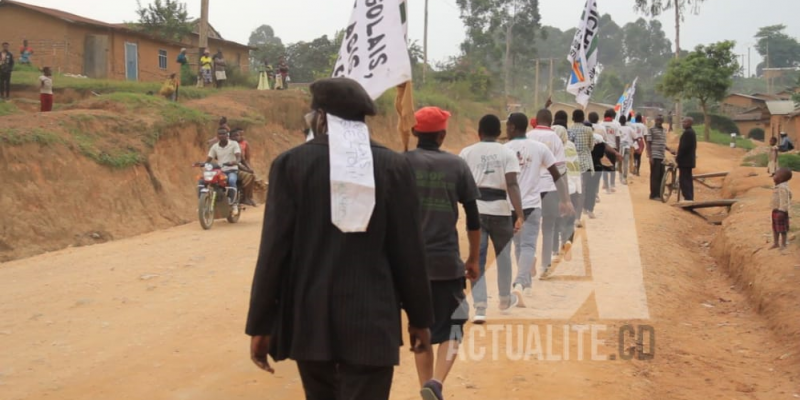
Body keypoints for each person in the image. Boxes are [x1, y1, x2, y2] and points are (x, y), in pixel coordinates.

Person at [245, 77, 434, 400]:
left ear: (320, 118)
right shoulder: (393, 166)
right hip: (373, 321)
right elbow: (409, 252)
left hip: (310, 320)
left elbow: (274, 252)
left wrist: (261, 324)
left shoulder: (290, 165)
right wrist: (420, 319)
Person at [404, 106, 480, 400]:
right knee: (454, 326)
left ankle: (426, 383)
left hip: (410, 264)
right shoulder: (457, 166)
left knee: (418, 325)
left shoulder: (401, 163)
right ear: (443, 135)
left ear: (414, 133)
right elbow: (473, 216)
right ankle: (435, 382)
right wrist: (473, 258)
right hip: (446, 261)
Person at [460, 114, 525, 322]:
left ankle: (479, 307)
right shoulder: (507, 153)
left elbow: (460, 183)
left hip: (475, 212)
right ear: (499, 133)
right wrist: (520, 215)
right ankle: (505, 298)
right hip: (501, 211)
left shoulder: (466, 153)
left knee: (476, 257)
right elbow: (513, 185)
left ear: (479, 132)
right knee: (503, 257)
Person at [505, 113, 571, 293]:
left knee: (519, 245)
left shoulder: (505, 149)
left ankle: (522, 280)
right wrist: (565, 199)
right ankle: (522, 282)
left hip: (511, 206)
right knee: (528, 245)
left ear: (512, 127)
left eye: (507, 126)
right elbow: (557, 174)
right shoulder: (540, 148)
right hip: (533, 205)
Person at [527, 109, 567, 274]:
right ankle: (545, 264)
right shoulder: (556, 139)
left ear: (537, 120)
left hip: (531, 189)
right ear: (551, 122)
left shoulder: (528, 136)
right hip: (550, 188)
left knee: (531, 228)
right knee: (548, 227)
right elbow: (561, 169)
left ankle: (531, 257)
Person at [552, 126, 582, 266]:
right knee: (570, 218)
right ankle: (568, 240)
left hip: (560, 187)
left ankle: (555, 249)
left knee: (555, 220)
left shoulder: (553, 148)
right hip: (574, 185)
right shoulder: (571, 146)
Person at [197, 128, 241, 212]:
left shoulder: (234, 144)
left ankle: (233, 202)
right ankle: (201, 203)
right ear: (217, 136)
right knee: (202, 181)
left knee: (232, 181)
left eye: (223, 134)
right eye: (220, 134)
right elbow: (209, 159)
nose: (221, 136)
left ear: (227, 135)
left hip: (231, 170)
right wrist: (202, 163)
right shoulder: (215, 146)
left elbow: (238, 157)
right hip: (220, 171)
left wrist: (235, 162)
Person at [568, 109, 594, 224]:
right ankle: (577, 218)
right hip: (585, 163)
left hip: (572, 164)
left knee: (572, 190)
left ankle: (570, 216)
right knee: (582, 190)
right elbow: (591, 147)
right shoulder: (588, 130)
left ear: (573, 118)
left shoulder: (569, 130)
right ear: (583, 118)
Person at [671, 117, 697, 202]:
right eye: (683, 122)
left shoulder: (688, 133)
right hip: (689, 160)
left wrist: (678, 157)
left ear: (690, 123)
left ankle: (688, 198)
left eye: (685, 122)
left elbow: (684, 148)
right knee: (688, 179)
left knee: (684, 180)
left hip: (685, 161)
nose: (683, 123)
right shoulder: (691, 132)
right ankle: (689, 197)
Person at [230, 128, 258, 207]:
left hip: (238, 166)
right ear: (230, 137)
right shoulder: (226, 145)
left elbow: (244, 160)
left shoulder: (241, 145)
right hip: (230, 167)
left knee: (251, 175)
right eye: (234, 136)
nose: (237, 137)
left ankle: (247, 197)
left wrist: (249, 168)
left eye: (238, 135)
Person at [770, 168, 793, 250]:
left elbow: (785, 199)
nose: (773, 176)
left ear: (781, 178)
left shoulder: (782, 188)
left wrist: (782, 210)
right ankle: (776, 243)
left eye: (775, 175)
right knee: (775, 227)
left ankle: (783, 244)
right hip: (776, 210)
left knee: (782, 229)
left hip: (780, 211)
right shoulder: (778, 186)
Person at [646, 115, 668, 200]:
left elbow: (662, 143)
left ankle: (659, 194)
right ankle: (653, 194)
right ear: (655, 120)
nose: (659, 122)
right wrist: (650, 157)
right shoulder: (651, 129)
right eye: (658, 120)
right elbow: (648, 143)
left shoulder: (663, 130)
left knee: (661, 176)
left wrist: (669, 149)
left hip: (662, 156)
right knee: (655, 176)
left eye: (661, 121)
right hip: (655, 156)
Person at [600, 109, 620, 193]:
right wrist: (617, 150)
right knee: (612, 167)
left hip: (603, 148)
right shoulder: (616, 125)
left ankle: (605, 184)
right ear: (612, 116)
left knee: (604, 167)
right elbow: (618, 138)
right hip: (613, 148)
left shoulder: (601, 124)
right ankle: (612, 185)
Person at [617, 115, 634, 185]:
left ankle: (620, 177)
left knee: (619, 163)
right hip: (627, 147)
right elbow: (635, 136)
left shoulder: (617, 128)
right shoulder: (629, 128)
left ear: (619, 121)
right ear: (625, 121)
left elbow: (616, 138)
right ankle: (624, 178)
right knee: (626, 163)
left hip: (620, 147)